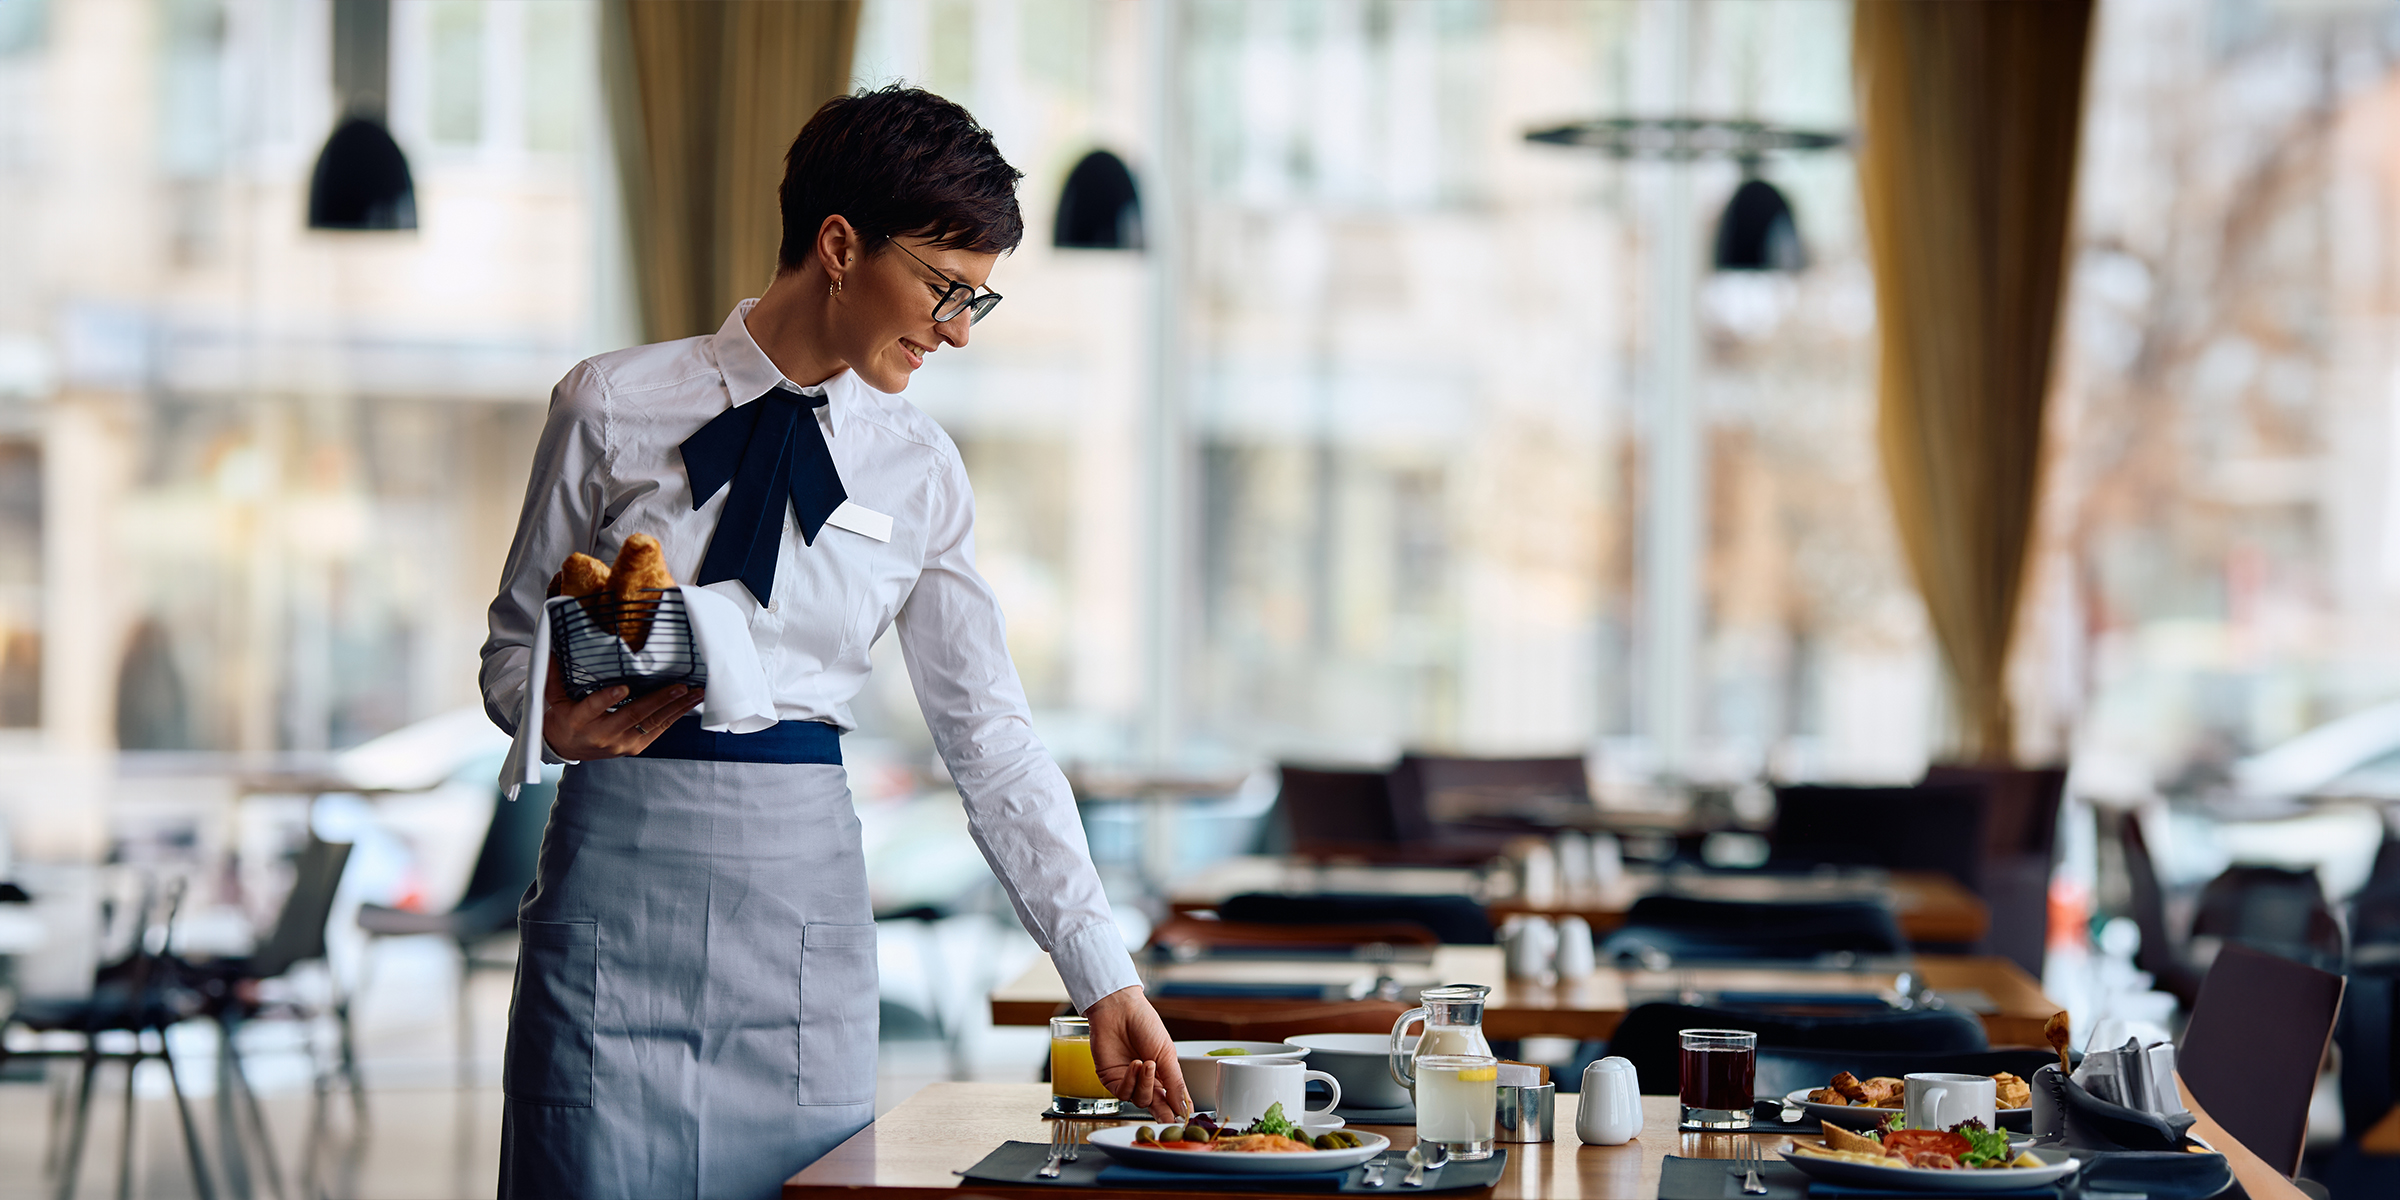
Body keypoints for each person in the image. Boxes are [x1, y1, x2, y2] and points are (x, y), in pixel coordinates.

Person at [479, 86, 1190, 1200]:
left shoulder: (920, 467)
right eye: (946, 288)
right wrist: (552, 718)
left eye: (979, 303)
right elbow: (513, 652)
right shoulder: (610, 403)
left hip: (799, 917)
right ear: (841, 245)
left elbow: (991, 742)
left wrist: (1102, 976)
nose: (957, 328)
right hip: (614, 897)